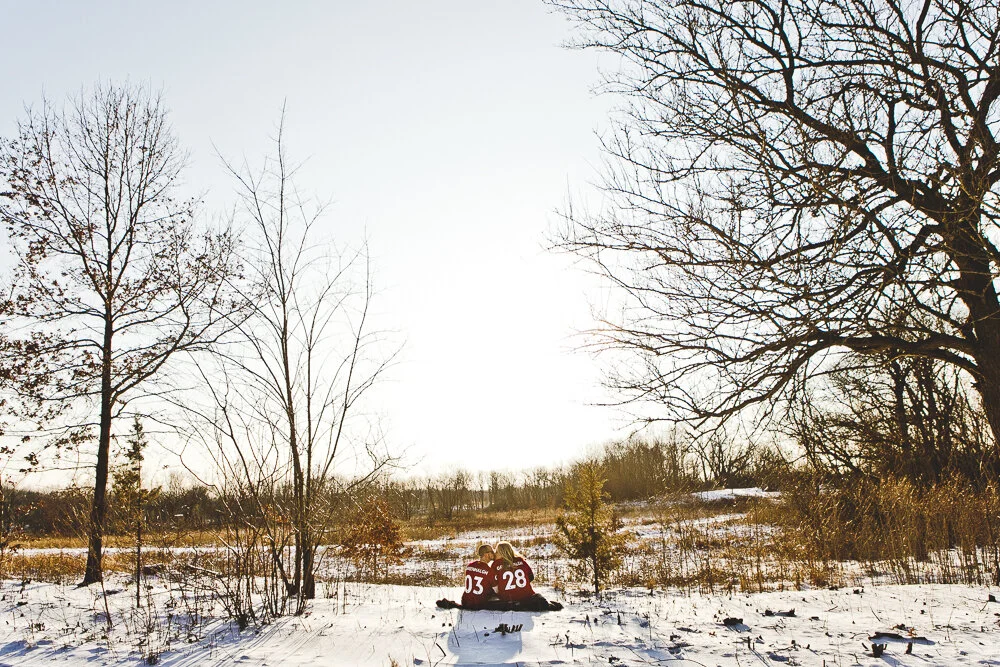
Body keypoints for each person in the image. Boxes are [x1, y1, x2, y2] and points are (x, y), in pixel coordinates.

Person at [491, 541, 562, 611]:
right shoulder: (520, 560)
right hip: (527, 596)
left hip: (507, 598)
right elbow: (531, 577)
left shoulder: (496, 564)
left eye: (496, 552)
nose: (495, 554)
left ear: (502, 553)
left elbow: (493, 583)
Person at [461, 543, 500, 609]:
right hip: (479, 603)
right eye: (492, 552)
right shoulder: (489, 570)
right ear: (486, 554)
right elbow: (497, 591)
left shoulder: (469, 565)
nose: (494, 554)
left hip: (465, 601)